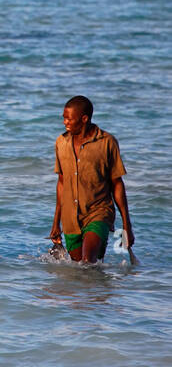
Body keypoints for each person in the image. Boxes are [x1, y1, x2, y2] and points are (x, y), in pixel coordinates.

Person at [50, 96, 133, 263]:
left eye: (69, 119)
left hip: (99, 212)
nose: (65, 122)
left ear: (84, 119)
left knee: (87, 262)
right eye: (64, 118)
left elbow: (117, 184)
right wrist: (55, 222)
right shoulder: (61, 143)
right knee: (78, 269)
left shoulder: (107, 143)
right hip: (70, 219)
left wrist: (126, 226)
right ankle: (100, 289)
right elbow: (61, 183)